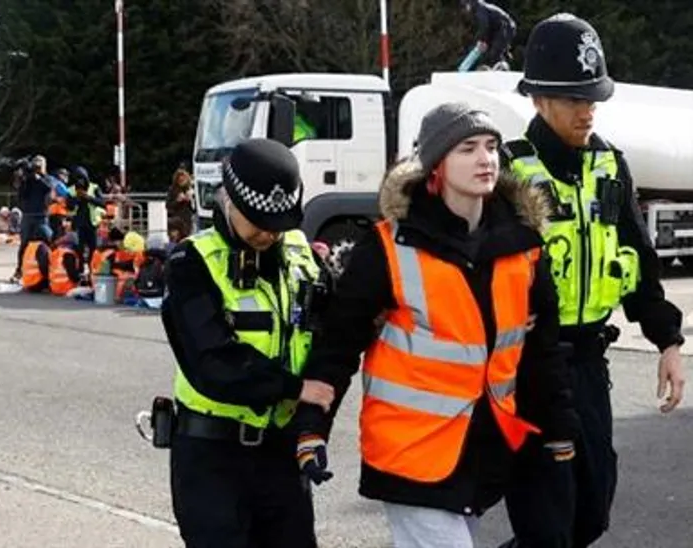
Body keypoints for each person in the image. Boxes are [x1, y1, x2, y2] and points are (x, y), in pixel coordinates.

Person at [292, 102, 581, 548]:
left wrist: (558, 425)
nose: (485, 159)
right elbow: (339, 344)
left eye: (491, 147)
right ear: (435, 167)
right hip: (409, 453)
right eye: (467, 148)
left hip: (481, 452)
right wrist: (312, 427)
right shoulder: (388, 247)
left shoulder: (523, 247)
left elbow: (540, 350)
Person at [499, 13, 685, 548]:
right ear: (538, 100)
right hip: (530, 368)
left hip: (588, 365)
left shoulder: (611, 167)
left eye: (592, 97)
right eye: (574, 99)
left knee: (592, 514)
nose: (588, 110)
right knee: (546, 523)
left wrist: (668, 341)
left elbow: (639, 262)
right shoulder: (509, 173)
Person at [162, 138, 335, 548]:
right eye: (257, 221)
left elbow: (329, 334)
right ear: (228, 201)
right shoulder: (193, 264)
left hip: (280, 452)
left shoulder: (300, 254)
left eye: (278, 224)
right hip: (212, 456)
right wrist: (293, 388)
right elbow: (212, 362)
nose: (269, 233)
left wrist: (312, 427)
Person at [20, 229, 82, 295]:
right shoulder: (42, 247)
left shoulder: (30, 246)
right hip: (42, 283)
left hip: (28, 282)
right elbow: (44, 267)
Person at [67, 168, 106, 267]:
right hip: (78, 224)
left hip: (92, 223)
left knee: (93, 248)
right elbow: (68, 206)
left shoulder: (94, 187)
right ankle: (79, 269)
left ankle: (91, 268)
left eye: (82, 179)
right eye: (78, 179)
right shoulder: (71, 190)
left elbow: (102, 202)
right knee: (78, 249)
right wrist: (77, 199)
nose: (80, 182)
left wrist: (88, 198)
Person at [462, 0, 516, 70]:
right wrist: (484, 41)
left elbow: (485, 26)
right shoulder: (480, 8)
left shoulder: (480, 9)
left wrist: (481, 40)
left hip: (505, 27)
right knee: (490, 51)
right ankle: (500, 63)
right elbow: (488, 27)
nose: (466, 8)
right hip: (499, 28)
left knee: (495, 52)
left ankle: (501, 69)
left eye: (466, 5)